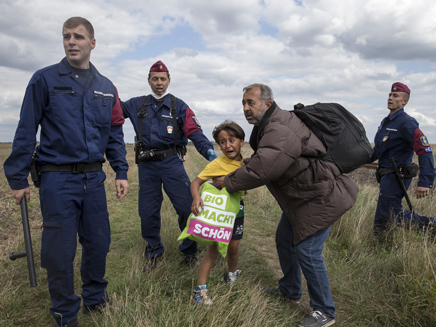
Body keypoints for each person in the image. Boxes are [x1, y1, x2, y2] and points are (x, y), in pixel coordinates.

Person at [3, 17, 129, 327]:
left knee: (99, 242)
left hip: (93, 178)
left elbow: (114, 132)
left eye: (79, 37)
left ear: (92, 43)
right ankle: (64, 311)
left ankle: (95, 298)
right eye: (66, 36)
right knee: (59, 251)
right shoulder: (44, 79)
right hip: (57, 179)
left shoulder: (106, 87)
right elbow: (25, 128)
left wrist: (121, 171)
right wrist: (18, 177)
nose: (72, 41)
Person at [216, 84, 358, 327]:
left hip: (318, 197)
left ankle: (324, 311)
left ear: (268, 104)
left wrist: (228, 182)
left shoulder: (279, 127)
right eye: (243, 104)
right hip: (301, 198)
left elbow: (265, 168)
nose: (246, 108)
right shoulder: (270, 126)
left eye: (251, 102)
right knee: (284, 239)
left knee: (308, 251)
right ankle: (290, 289)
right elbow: (268, 159)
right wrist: (243, 169)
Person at [121, 60, 218, 271]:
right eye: (155, 79)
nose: (159, 83)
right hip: (147, 166)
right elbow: (112, 110)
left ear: (169, 81)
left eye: (163, 79)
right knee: (147, 212)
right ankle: (154, 252)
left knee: (187, 208)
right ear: (148, 81)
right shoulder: (136, 104)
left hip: (172, 163)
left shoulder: (179, 106)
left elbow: (194, 132)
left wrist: (209, 152)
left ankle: (189, 252)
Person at [368, 82, 435, 236]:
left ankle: (431, 226)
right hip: (385, 175)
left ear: (404, 101)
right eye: (390, 95)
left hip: (397, 175)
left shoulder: (407, 123)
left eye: (395, 96)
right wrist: (352, 161)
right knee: (388, 213)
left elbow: (425, 150)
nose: (390, 98)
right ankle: (382, 242)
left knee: (390, 214)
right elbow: (377, 151)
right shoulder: (386, 122)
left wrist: (425, 182)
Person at [190, 120, 246, 305]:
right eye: (222, 141)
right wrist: (197, 198)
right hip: (219, 215)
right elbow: (196, 182)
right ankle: (200, 289)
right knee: (213, 250)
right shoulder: (216, 164)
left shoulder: (247, 165)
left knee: (234, 247)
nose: (228, 145)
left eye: (232, 140)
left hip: (236, 213)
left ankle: (231, 275)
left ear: (241, 142)